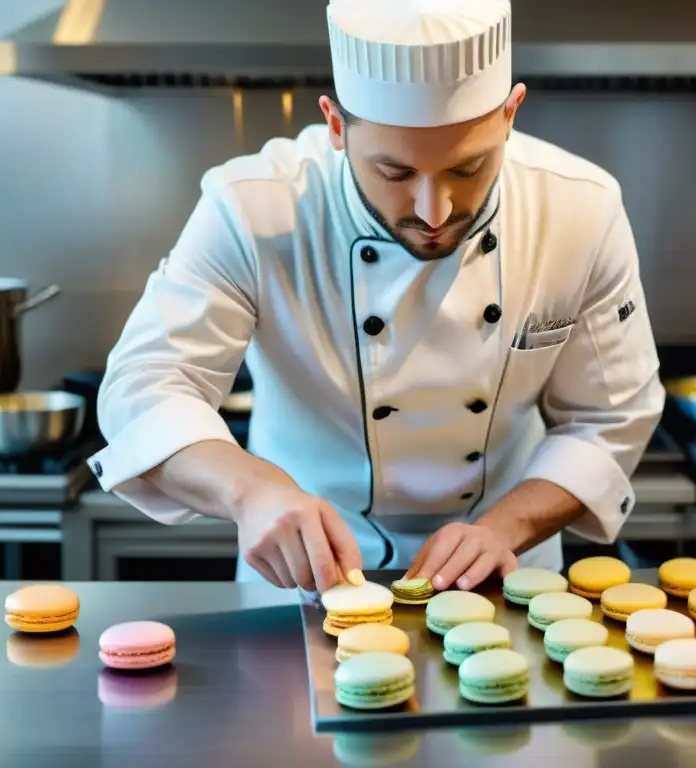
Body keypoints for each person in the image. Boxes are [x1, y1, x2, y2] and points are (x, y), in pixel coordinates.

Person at [88, 0, 665, 595]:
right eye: (394, 174)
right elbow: (144, 389)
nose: (433, 212)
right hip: (304, 584)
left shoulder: (579, 210)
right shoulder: (254, 209)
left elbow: (612, 418)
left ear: (511, 113)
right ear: (336, 126)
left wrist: (503, 529)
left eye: (468, 168)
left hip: (506, 581)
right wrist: (250, 491)